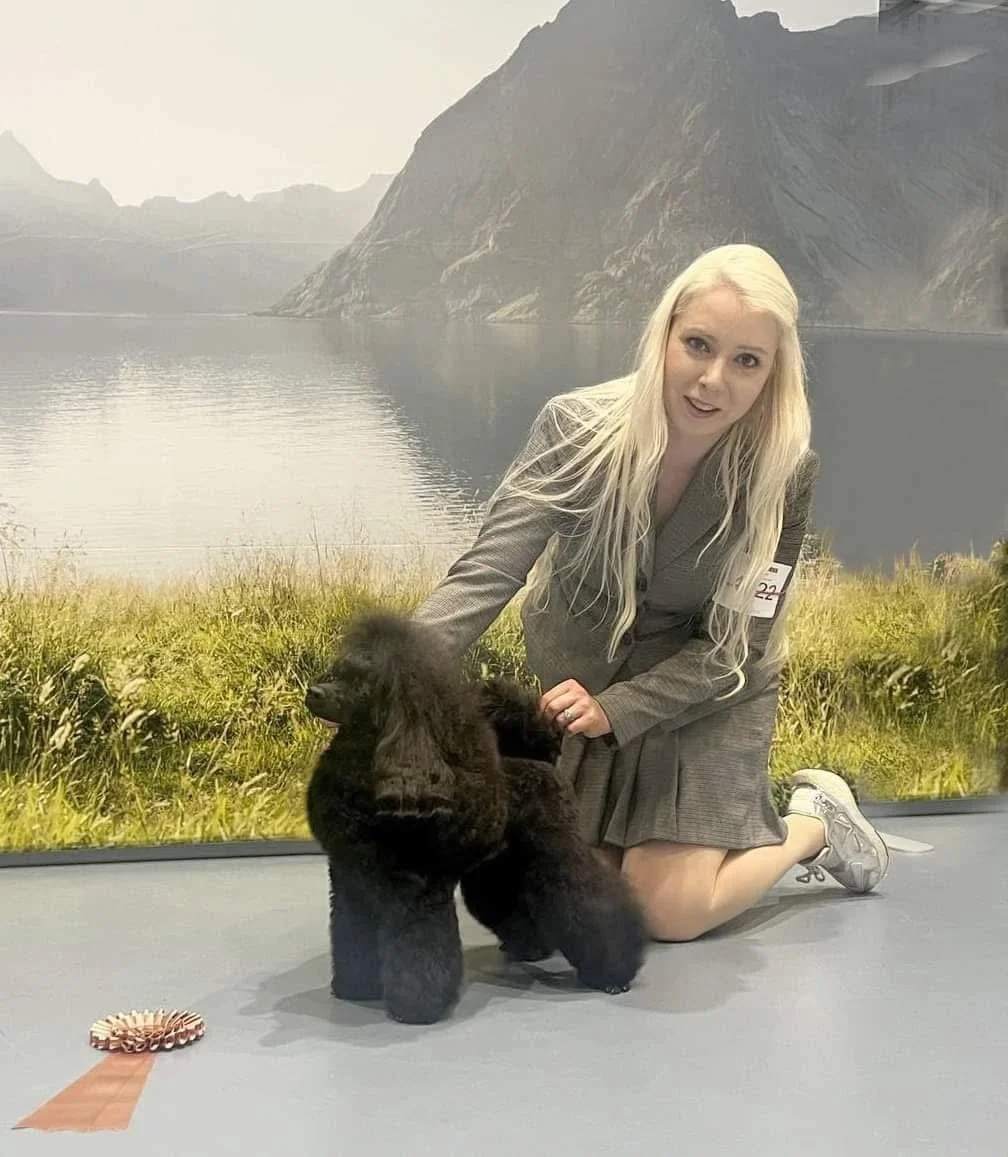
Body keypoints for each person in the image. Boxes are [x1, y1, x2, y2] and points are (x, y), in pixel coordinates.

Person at [410, 242, 889, 942]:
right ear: (664, 333)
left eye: (746, 361)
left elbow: (737, 645)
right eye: (698, 344)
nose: (712, 381)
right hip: (585, 692)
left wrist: (618, 707)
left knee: (669, 912)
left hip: (703, 697)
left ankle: (812, 825)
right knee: (577, 895)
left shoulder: (785, 475)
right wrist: (395, 673)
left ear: (771, 374)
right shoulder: (572, 428)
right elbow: (489, 569)